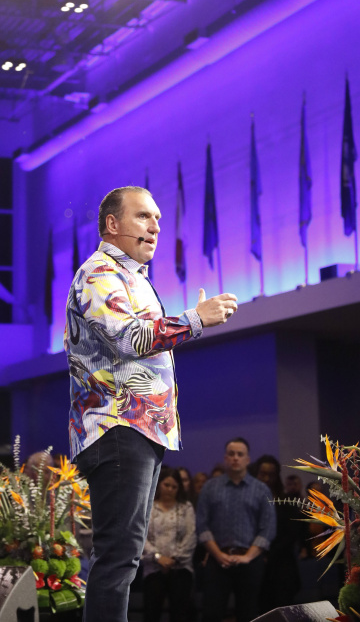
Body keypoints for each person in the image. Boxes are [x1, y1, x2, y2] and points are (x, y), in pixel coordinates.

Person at [65, 185, 238, 622]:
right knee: (118, 558)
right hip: (117, 427)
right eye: (143, 216)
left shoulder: (133, 278)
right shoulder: (100, 273)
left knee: (123, 558)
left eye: (158, 218)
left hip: (139, 430)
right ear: (112, 224)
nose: (156, 226)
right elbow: (129, 339)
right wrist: (196, 320)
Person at [196, 437, 276, 622]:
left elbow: (268, 528)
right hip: (217, 559)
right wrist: (218, 555)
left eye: (240, 454)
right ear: (225, 458)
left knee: (248, 614)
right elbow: (202, 525)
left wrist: (247, 556)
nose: (235, 458)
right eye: (231, 454)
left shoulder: (261, 489)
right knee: (211, 614)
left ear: (248, 459)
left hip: (250, 560)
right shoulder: (210, 488)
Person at [142, 468, 197, 622]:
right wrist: (158, 557)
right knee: (151, 613)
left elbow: (191, 536)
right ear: (159, 483)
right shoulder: (148, 507)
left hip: (180, 566)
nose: (170, 489)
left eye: (174, 487)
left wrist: (173, 559)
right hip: (153, 567)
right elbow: (141, 536)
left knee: (180, 614)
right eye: (167, 485)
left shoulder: (185, 507)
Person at [255, 454, 302, 611]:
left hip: (281, 563)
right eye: (263, 474)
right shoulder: (248, 501)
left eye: (271, 474)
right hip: (256, 563)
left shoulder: (286, 501)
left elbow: (292, 533)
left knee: (283, 608)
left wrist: (269, 554)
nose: (267, 479)